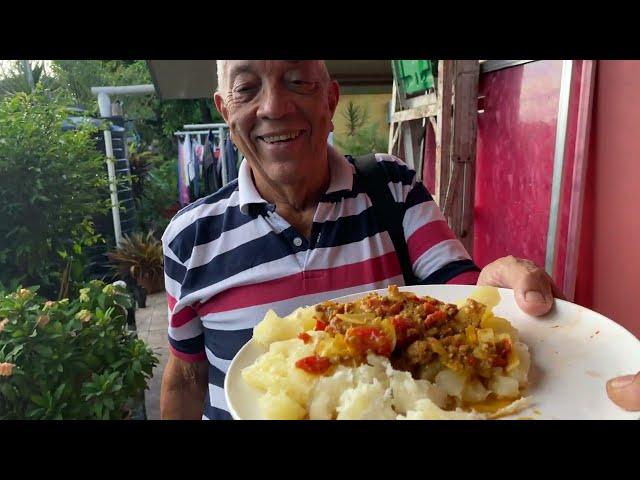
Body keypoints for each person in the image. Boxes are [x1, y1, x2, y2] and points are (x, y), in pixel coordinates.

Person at [159, 60, 637, 419]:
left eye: (298, 80)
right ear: (225, 109)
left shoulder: (391, 185)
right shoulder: (188, 238)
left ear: (331, 99)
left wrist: (497, 293)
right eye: (246, 87)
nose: (274, 107)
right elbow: (185, 376)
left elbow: (459, 290)